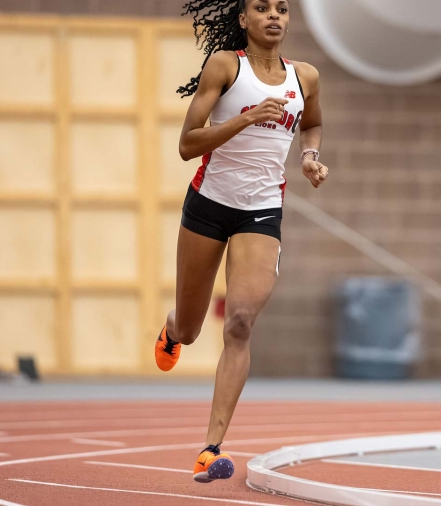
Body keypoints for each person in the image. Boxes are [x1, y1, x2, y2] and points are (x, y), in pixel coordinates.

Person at [154, 0, 328, 483]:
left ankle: (210, 449)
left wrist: (310, 156)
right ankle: (172, 329)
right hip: (208, 206)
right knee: (191, 330)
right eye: (262, 8)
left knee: (240, 323)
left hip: (261, 212)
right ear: (243, 19)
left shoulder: (305, 77)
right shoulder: (226, 66)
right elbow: (188, 143)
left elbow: (311, 123)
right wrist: (246, 119)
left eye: (283, 9)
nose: (274, 16)